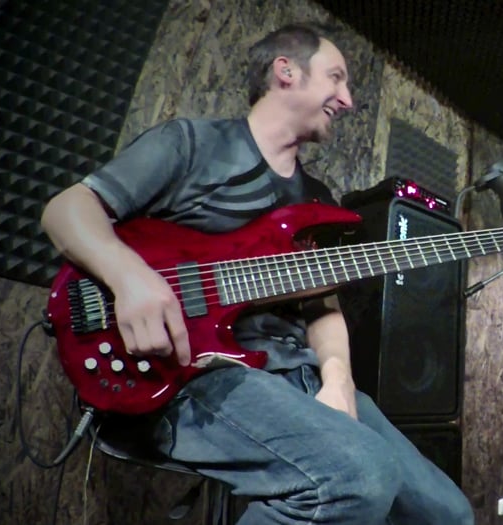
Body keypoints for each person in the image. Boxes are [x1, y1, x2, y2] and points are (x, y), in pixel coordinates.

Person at [41, 23, 474, 525]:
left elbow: (323, 306)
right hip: (200, 371)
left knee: (448, 514)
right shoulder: (191, 144)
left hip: (300, 375)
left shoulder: (318, 199)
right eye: (336, 78)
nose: (349, 99)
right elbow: (66, 209)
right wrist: (131, 279)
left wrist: (336, 381)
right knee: (357, 478)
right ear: (285, 71)